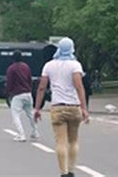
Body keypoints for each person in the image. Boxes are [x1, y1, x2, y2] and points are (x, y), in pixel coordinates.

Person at [34, 37, 89, 177]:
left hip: (57, 107)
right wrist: (84, 108)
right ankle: (71, 170)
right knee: (73, 140)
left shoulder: (49, 65)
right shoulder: (75, 65)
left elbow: (41, 88)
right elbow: (79, 86)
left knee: (60, 141)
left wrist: (37, 108)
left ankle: (63, 172)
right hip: (73, 106)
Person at [5, 50, 39, 142]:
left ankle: (21, 134)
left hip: (17, 95)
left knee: (16, 115)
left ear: (13, 58)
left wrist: (7, 93)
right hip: (28, 93)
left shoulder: (11, 69)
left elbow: (9, 83)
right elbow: (29, 80)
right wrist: (30, 90)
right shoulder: (26, 67)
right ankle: (35, 132)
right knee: (30, 114)